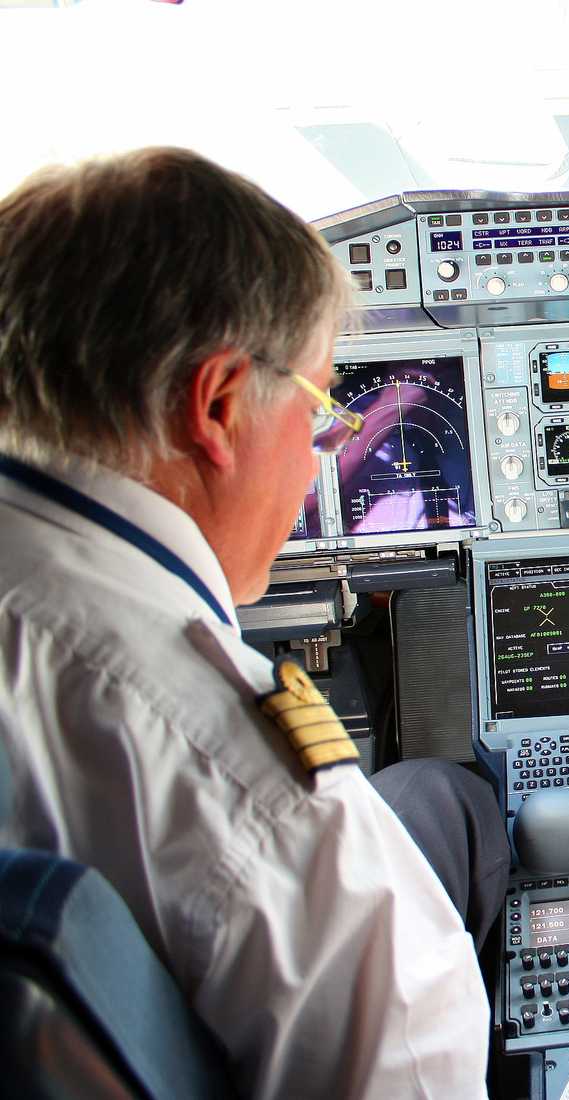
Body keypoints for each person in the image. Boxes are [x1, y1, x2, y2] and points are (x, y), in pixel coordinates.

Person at [0, 148, 510, 1099]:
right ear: (220, 405)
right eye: (323, 412)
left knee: (435, 796)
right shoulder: (246, 788)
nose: (325, 451)